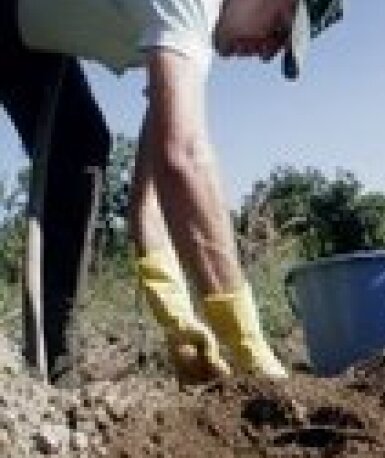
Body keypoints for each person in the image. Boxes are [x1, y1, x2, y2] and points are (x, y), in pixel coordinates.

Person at [1, 0, 342, 384]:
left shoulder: (185, 44)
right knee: (77, 143)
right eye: (278, 30)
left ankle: (51, 367)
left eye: (278, 50)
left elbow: (150, 204)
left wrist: (179, 322)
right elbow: (185, 159)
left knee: (77, 145)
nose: (266, 54)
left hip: (26, 35)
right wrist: (249, 343)